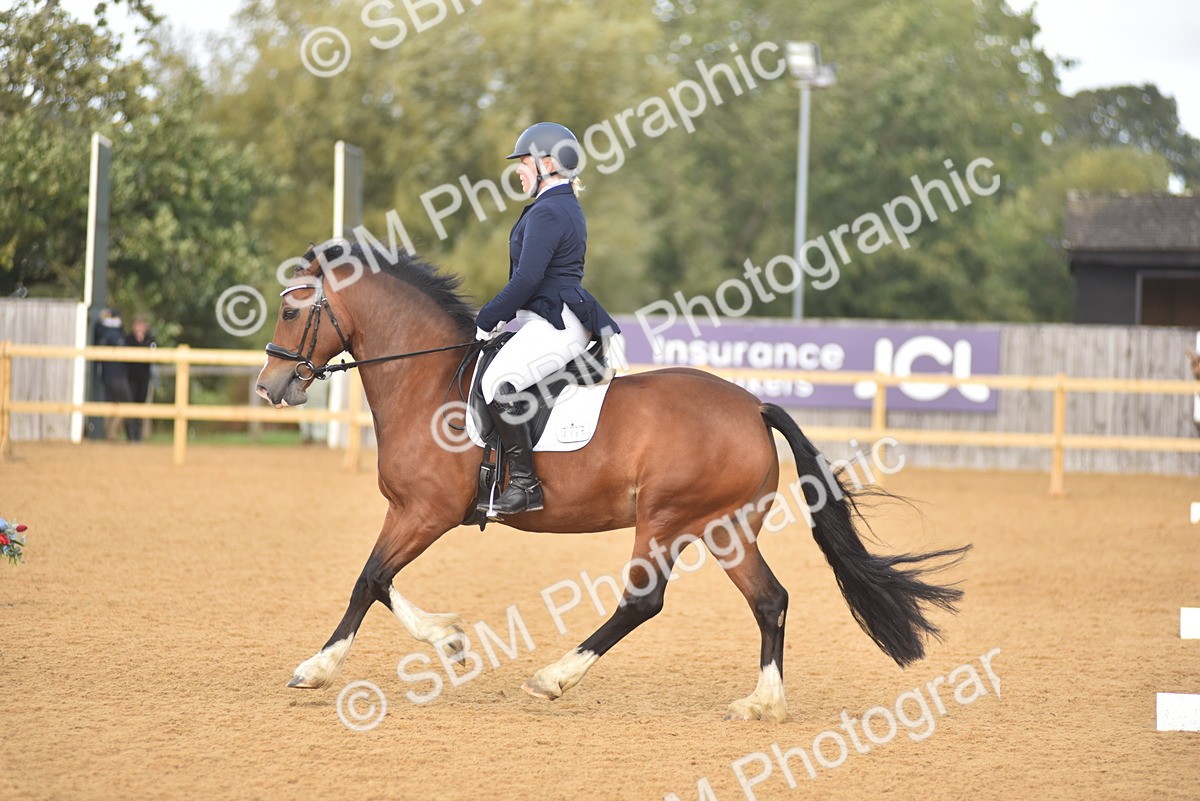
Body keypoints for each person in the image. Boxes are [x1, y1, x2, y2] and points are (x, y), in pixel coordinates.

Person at [474, 122, 622, 517]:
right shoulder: (553, 206)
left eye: (525, 161)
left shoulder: (551, 211)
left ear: (551, 164)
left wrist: (488, 318)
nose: (519, 170)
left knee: (497, 382)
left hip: (558, 321)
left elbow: (527, 279)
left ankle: (525, 485)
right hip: (549, 317)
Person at [96, 308, 137, 441]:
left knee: (110, 403)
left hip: (105, 374)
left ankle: (106, 434)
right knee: (127, 404)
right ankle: (114, 434)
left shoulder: (100, 331)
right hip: (117, 375)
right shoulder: (115, 333)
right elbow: (123, 352)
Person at [125, 317, 157, 442]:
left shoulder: (150, 340)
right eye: (137, 325)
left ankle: (138, 435)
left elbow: (155, 351)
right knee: (130, 405)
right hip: (131, 377)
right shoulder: (128, 339)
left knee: (140, 405)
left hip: (143, 378)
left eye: (141, 325)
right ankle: (131, 435)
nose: (139, 328)